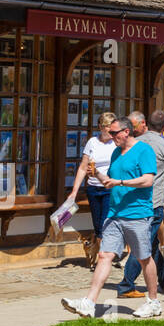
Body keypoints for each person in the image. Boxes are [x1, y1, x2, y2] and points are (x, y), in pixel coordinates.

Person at [61, 117, 161, 318]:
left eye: (114, 133)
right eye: (109, 132)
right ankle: (89, 302)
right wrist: (96, 173)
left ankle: (153, 302)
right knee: (104, 255)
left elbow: (148, 180)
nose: (111, 136)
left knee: (144, 258)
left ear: (126, 131)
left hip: (137, 214)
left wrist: (121, 182)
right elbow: (110, 181)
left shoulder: (144, 151)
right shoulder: (116, 152)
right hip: (115, 213)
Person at [115, 109, 164, 298]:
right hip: (152, 203)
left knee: (151, 244)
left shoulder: (135, 144)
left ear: (146, 124)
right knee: (142, 244)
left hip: (132, 200)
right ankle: (126, 285)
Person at [63, 111, 117, 264]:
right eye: (106, 126)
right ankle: (100, 253)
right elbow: (82, 167)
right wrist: (74, 192)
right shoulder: (92, 142)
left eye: (111, 127)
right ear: (100, 127)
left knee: (104, 224)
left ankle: (102, 258)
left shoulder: (116, 143)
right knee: (97, 225)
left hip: (109, 188)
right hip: (93, 188)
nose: (109, 130)